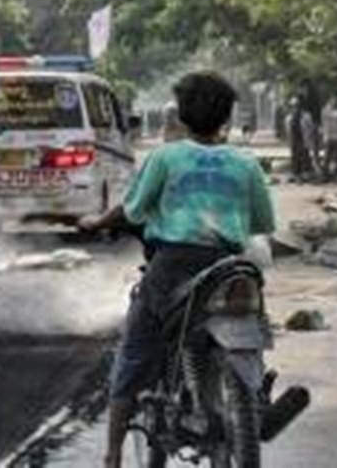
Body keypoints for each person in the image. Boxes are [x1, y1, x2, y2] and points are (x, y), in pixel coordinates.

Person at [77, 72, 276, 468]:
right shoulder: (246, 163)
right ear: (227, 117)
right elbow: (261, 223)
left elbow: (133, 210)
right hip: (230, 267)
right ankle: (256, 395)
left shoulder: (165, 157)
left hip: (173, 266)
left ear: (181, 116)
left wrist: (96, 222)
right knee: (253, 317)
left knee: (134, 352)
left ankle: (113, 454)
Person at [321, 97, 337, 180]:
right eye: (333, 101)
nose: (334, 102)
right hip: (329, 136)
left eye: (336, 101)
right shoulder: (325, 110)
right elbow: (326, 121)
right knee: (327, 157)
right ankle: (325, 175)